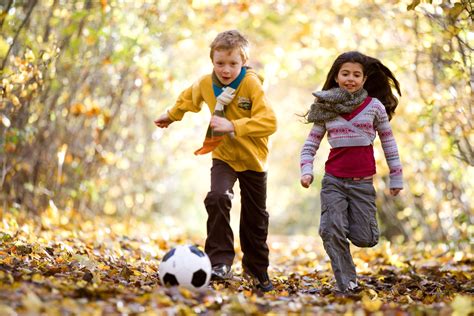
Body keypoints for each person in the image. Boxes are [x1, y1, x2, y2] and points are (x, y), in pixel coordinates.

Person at [154, 30, 277, 292]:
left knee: (255, 219)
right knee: (218, 197)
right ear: (212, 61)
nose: (226, 69)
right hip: (224, 155)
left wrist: (233, 125)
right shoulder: (206, 83)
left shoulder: (252, 85)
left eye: (233, 63)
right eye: (220, 63)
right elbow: (188, 99)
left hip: (254, 159)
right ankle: (219, 262)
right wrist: (171, 115)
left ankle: (257, 271)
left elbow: (270, 122)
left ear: (243, 62)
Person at [299, 51, 403, 294]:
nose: (350, 79)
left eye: (356, 75)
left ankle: (350, 230)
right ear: (336, 77)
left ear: (364, 80)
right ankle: (348, 283)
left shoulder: (374, 107)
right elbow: (310, 144)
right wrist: (306, 170)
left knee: (366, 238)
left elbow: (389, 143)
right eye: (345, 73)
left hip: (362, 184)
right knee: (330, 231)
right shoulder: (327, 108)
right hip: (333, 180)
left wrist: (396, 177)